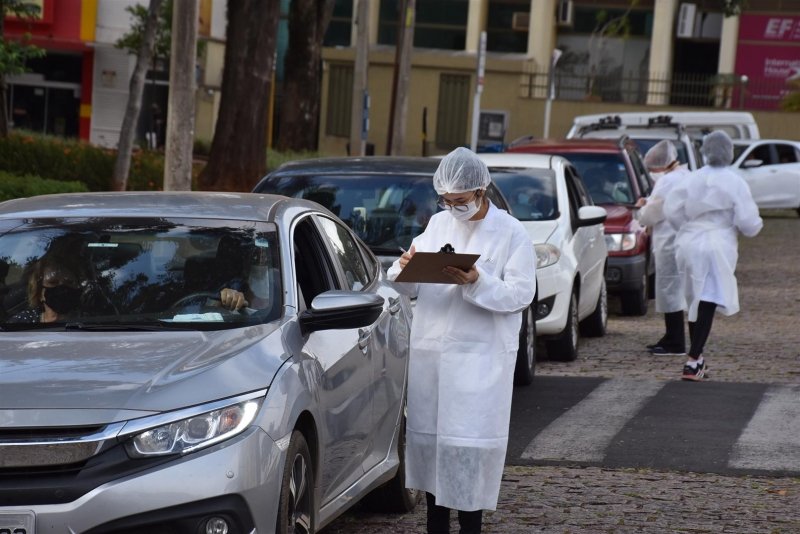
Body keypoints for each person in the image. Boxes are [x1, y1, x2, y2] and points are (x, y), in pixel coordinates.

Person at [387, 147, 536, 533]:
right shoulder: (438, 225)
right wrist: (405, 268)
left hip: (480, 363)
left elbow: (521, 294)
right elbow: (410, 284)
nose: (454, 208)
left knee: (467, 459)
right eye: (447, 201)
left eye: (461, 201)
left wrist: (478, 281)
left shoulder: (511, 233)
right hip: (434, 360)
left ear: (481, 191)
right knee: (435, 457)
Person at [663, 131, 763, 381]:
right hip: (717, 242)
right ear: (729, 153)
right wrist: (745, 226)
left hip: (688, 241)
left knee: (694, 299)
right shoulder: (736, 182)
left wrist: (686, 227)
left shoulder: (691, 179)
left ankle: (698, 359)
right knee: (707, 298)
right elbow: (749, 222)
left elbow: (671, 209)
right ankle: (693, 360)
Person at [635, 140, 691, 355]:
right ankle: (671, 336)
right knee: (674, 291)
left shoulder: (667, 181)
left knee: (670, 291)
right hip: (680, 240)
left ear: (660, 165)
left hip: (669, 242)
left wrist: (641, 210)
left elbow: (653, 212)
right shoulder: (685, 176)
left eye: (652, 169)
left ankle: (675, 342)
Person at [8, 254, 84, 323]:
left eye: (69, 282)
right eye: (53, 282)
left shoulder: (88, 322)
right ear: (39, 291)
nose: (62, 289)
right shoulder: (22, 322)